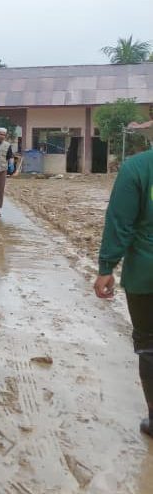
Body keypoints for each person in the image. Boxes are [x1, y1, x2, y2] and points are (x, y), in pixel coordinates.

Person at [95, 148, 153, 438]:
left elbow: (120, 222)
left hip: (146, 274)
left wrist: (107, 266)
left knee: (150, 344)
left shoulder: (138, 168)